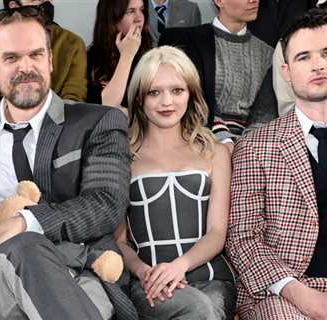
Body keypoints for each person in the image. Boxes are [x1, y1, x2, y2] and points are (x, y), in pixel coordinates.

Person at [0, 7, 137, 320]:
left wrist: (25, 220)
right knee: (24, 248)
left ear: (50, 59)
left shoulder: (98, 122)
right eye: (11, 58)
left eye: (36, 54)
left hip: (82, 273)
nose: (26, 67)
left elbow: (106, 204)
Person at [114, 45, 236, 320]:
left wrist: (180, 266)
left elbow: (217, 232)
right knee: (198, 309)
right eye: (154, 92)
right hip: (150, 281)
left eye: (177, 90)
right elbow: (119, 241)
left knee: (206, 307)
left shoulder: (215, 152)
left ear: (191, 93)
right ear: (139, 98)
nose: (166, 101)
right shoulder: (123, 157)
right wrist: (144, 272)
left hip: (212, 278)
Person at [226, 8, 327, 319]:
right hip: (283, 292)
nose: (318, 64)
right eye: (303, 57)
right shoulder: (255, 147)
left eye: (326, 53)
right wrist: (297, 291)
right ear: (286, 72)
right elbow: (242, 237)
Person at [159, 0, 276, 145]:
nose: (253, 0)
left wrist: (247, 147)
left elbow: (265, 110)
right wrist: (224, 139)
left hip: (252, 147)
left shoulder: (268, 53)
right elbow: (193, 98)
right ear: (219, 1)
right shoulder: (187, 41)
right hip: (197, 137)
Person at [3, 0, 88, 102]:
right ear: (14, 6)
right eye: (35, 0)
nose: (46, 3)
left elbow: (74, 98)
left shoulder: (71, 43)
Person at [87, 0, 152, 109]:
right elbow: (107, 106)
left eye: (141, 10)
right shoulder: (91, 58)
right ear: (112, 18)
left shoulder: (151, 56)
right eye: (130, 11)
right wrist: (127, 55)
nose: (139, 18)